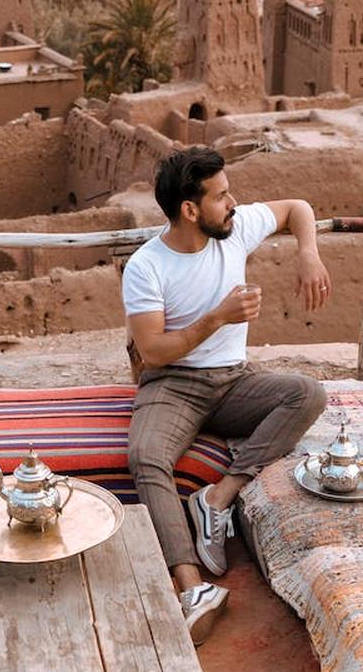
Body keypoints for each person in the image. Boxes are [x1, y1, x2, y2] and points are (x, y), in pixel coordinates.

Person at [121, 146, 331, 643]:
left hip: (234, 381)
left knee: (307, 395)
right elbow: (152, 352)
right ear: (190, 210)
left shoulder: (234, 229)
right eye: (221, 196)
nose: (233, 202)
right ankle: (193, 587)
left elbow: (296, 208)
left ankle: (217, 498)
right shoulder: (147, 267)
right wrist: (218, 318)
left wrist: (308, 252)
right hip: (173, 385)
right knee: (146, 456)